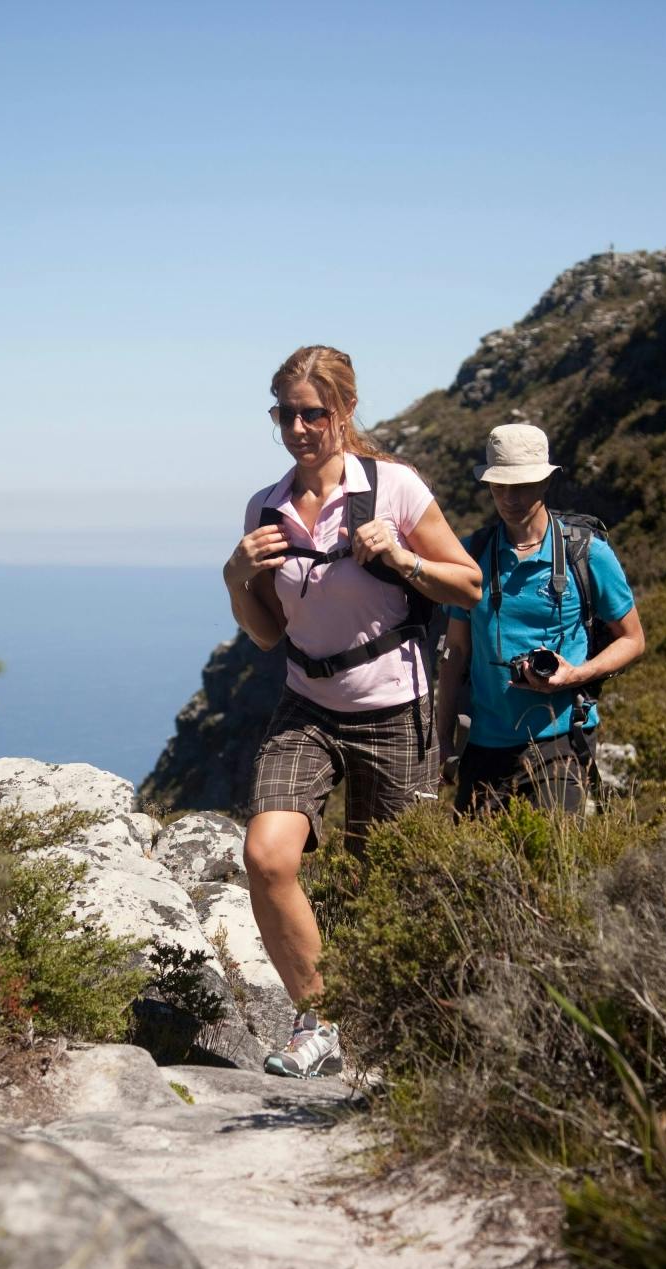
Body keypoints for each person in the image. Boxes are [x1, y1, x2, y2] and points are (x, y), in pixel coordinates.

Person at [223, 345, 482, 1078]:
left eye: (315, 413)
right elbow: (268, 631)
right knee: (267, 855)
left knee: (386, 881)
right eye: (286, 414)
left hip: (395, 708)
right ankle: (321, 1020)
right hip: (307, 702)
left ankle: (400, 1034)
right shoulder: (266, 508)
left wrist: (402, 558)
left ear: (344, 412)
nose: (300, 428)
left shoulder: (394, 488)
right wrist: (236, 574)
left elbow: (469, 586)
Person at [436, 423, 645, 815]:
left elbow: (633, 639)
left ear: (545, 482)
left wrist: (576, 675)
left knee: (554, 859)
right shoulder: (470, 556)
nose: (510, 498)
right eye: (501, 486)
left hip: (561, 738)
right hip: (484, 744)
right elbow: (455, 653)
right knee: (477, 870)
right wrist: (443, 739)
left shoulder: (588, 553)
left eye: (523, 485)